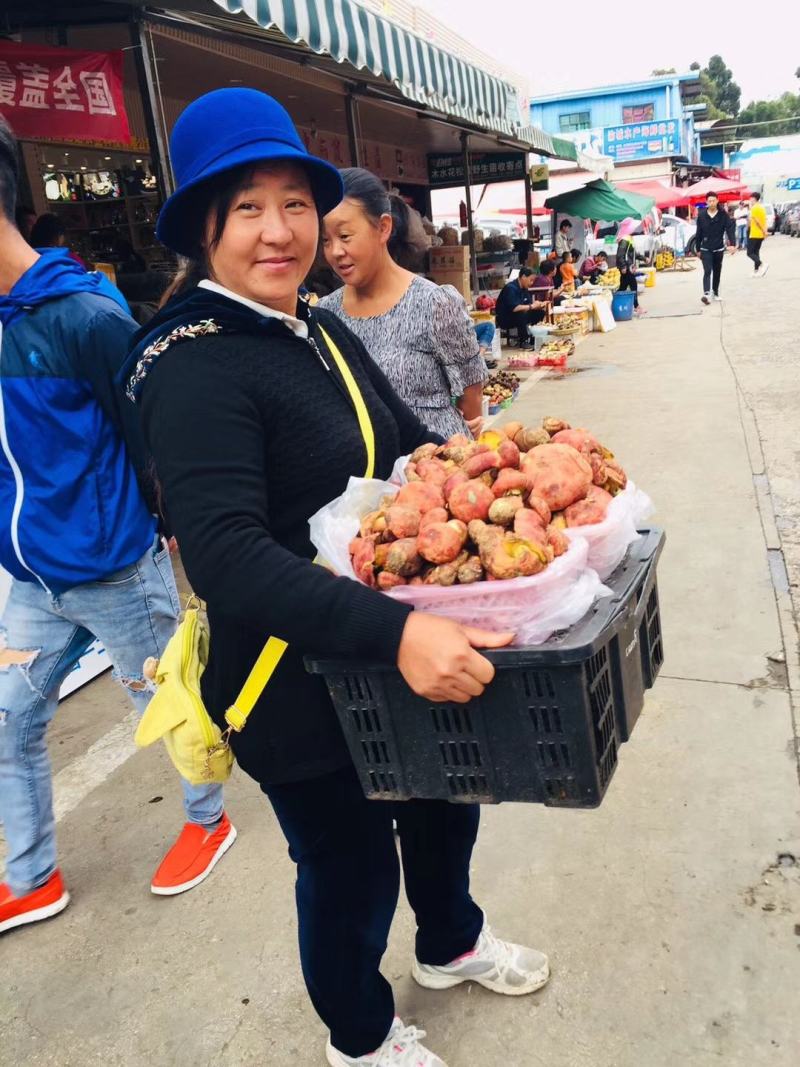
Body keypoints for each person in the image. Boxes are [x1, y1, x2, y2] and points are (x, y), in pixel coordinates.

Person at [124, 88, 550, 1067]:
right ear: (201, 224)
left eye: (295, 203)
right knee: (348, 863)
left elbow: (403, 445)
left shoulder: (312, 327)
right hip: (289, 681)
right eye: (246, 207)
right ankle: (358, 1035)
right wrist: (402, 632)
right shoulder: (190, 365)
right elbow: (226, 556)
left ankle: (447, 942)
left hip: (384, 642)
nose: (278, 231)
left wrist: (505, 481)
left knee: (449, 796)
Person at [0, 115, 234, 936]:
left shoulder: (84, 318)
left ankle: (209, 819)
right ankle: (29, 875)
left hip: (113, 569)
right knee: (9, 722)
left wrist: (168, 524)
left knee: (171, 705)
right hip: (30, 579)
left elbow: (152, 429)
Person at [320, 168, 486, 439]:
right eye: (326, 240)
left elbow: (471, 394)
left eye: (345, 236)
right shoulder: (326, 314)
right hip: (366, 474)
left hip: (435, 466)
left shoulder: (434, 303)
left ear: (383, 227)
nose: (335, 251)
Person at [694, 192, 736, 304]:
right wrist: (697, 249)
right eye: (709, 201)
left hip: (718, 248)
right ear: (706, 202)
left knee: (717, 271)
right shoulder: (702, 215)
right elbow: (698, 233)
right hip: (705, 248)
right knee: (707, 270)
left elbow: (729, 229)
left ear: (717, 200)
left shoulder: (723, 215)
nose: (711, 203)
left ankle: (715, 292)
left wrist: (732, 244)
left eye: (713, 200)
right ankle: (706, 294)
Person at [494, 266, 548, 346]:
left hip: (517, 315)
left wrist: (538, 305)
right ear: (523, 277)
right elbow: (514, 308)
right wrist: (532, 306)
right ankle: (524, 341)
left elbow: (528, 304)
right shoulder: (510, 288)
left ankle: (534, 337)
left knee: (540, 313)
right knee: (520, 313)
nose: (532, 283)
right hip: (505, 318)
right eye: (531, 280)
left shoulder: (524, 289)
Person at [616, 219, 644, 316]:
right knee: (633, 285)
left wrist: (644, 258)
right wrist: (623, 266)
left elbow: (633, 253)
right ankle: (636, 307)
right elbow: (620, 254)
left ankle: (614, 302)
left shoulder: (628, 238)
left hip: (628, 267)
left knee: (623, 287)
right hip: (626, 268)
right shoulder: (624, 240)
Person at [747, 192, 770, 277]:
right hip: (760, 234)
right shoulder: (761, 208)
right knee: (756, 252)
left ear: (754, 198)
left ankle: (762, 264)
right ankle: (756, 271)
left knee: (749, 253)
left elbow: (757, 221)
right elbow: (764, 220)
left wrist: (764, 231)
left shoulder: (754, 208)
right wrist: (764, 231)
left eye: (750, 199)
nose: (750, 200)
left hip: (755, 233)